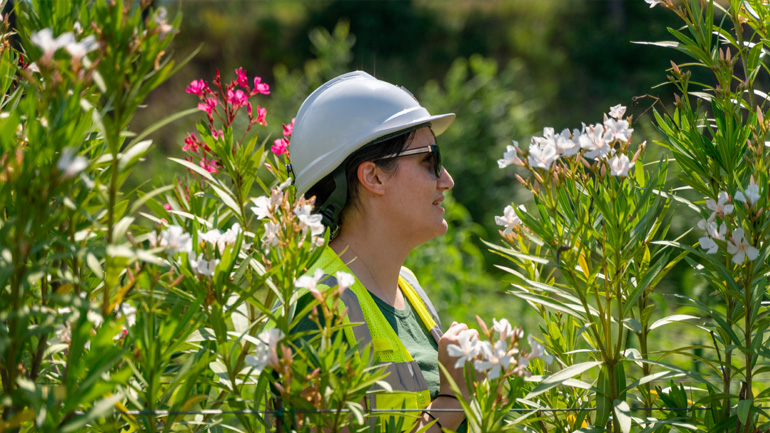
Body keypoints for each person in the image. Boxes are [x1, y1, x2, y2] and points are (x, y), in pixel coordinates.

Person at [289, 71, 474, 432]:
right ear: (373, 177)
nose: (447, 179)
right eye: (429, 159)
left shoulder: (408, 287)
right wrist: (454, 400)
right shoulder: (317, 306)